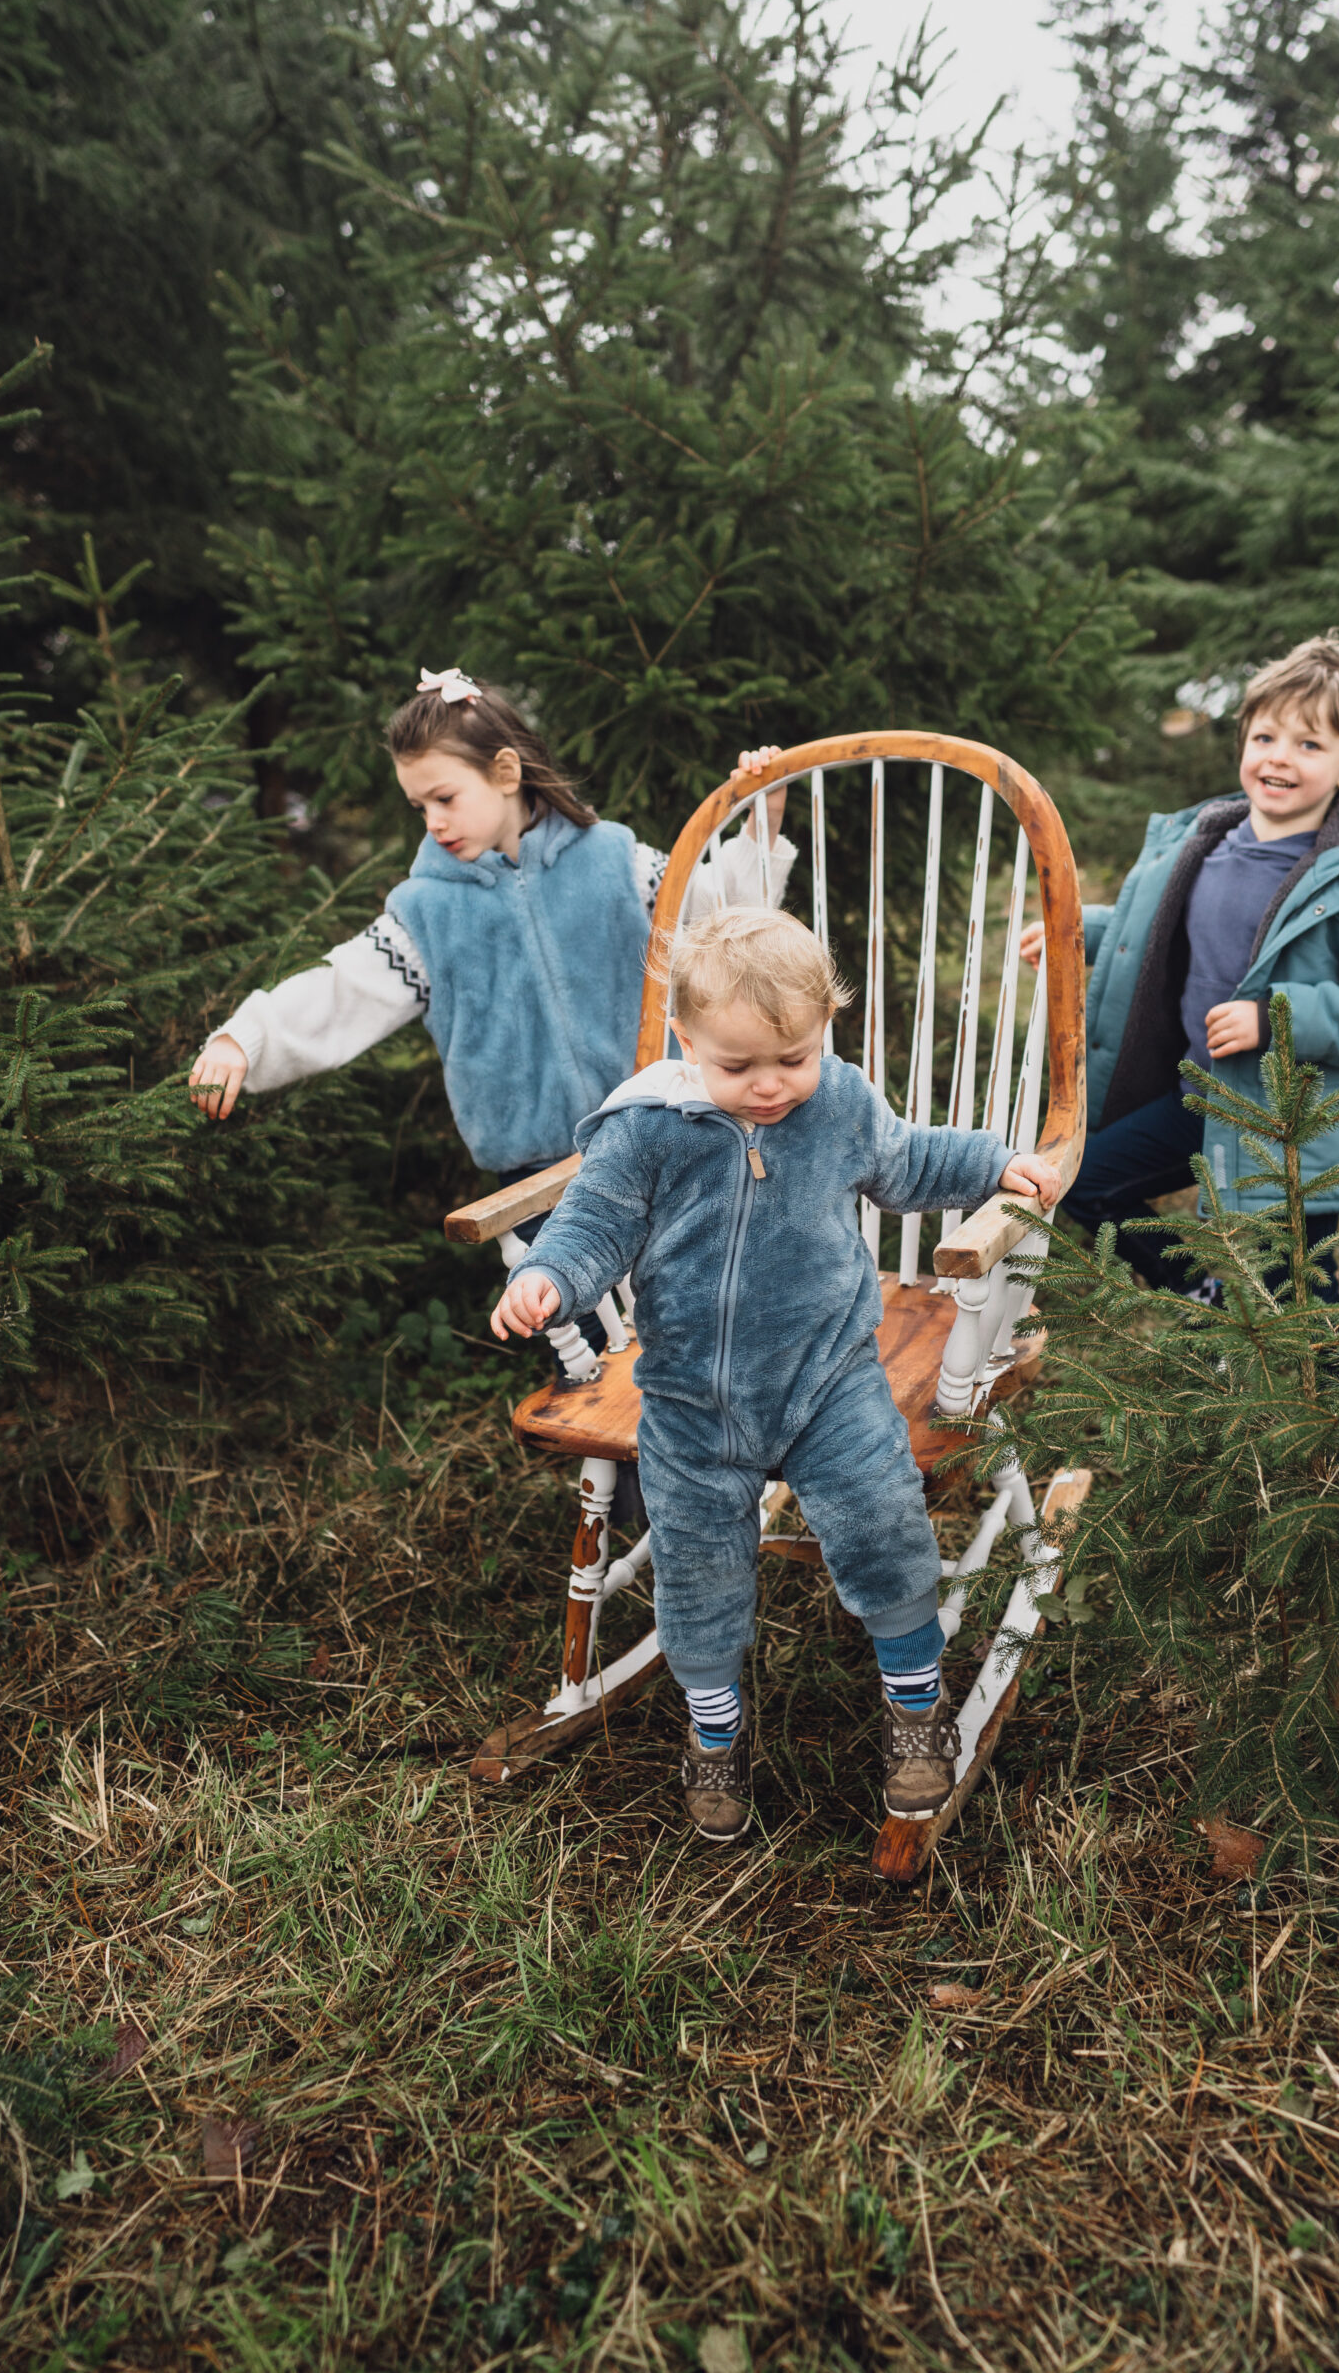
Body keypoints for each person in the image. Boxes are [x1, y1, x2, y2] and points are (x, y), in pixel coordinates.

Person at [493, 903, 1064, 1841]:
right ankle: (714, 1735)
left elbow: (907, 1158)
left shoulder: (835, 1101)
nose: (769, 1086)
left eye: (792, 1059)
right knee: (698, 1571)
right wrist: (549, 1277)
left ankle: (915, 1713)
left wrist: (998, 1165)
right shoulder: (646, 1130)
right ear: (686, 1043)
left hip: (826, 1379)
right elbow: (592, 1221)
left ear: (825, 1031)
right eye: (737, 1067)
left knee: (884, 1525)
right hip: (689, 1398)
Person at [189, 672, 795, 1362]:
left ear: (505, 771)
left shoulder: (613, 861)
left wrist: (759, 821)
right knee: (609, 1368)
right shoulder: (427, 912)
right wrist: (246, 1039)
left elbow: (724, 915)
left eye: (444, 798)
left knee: (718, 1334)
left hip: (668, 1141)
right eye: (419, 807)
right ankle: (637, 1473)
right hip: (539, 1183)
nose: (433, 822)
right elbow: (339, 989)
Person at [1021, 635, 1339, 1300]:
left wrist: (1274, 1017)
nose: (1279, 759)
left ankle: (1322, 1402)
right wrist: (1075, 935)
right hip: (1199, 1094)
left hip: (1291, 1120)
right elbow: (1160, 933)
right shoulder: (1203, 843)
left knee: (1297, 1285)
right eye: (1265, 738)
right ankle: (1207, 1302)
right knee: (1084, 1181)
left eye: (1309, 745)